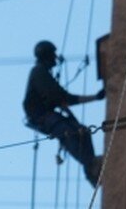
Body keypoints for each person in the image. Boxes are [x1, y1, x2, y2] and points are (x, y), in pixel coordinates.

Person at [23, 41, 105, 186]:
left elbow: (64, 98)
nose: (55, 57)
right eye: (53, 54)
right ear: (47, 56)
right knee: (67, 131)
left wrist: (95, 97)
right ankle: (91, 165)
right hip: (41, 116)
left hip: (48, 114)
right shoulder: (39, 72)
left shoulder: (44, 73)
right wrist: (94, 98)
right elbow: (61, 97)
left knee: (83, 132)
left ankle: (91, 165)